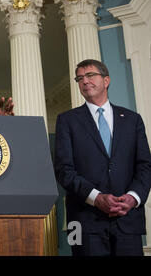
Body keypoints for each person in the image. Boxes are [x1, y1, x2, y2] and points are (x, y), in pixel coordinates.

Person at [54, 59, 151, 256]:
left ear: (106, 80)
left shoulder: (133, 120)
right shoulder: (66, 120)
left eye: (90, 75)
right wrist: (96, 198)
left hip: (128, 220)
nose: (85, 81)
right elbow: (64, 170)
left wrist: (133, 198)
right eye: (80, 78)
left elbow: (145, 166)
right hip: (83, 223)